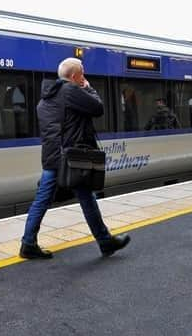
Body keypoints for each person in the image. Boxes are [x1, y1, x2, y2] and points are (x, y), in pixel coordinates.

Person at [20, 58, 130, 259]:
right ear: (73, 76)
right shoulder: (71, 91)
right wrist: (88, 88)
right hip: (72, 158)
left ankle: (28, 243)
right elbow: (98, 108)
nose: (84, 76)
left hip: (52, 157)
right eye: (82, 73)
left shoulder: (44, 100)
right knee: (87, 198)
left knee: (42, 200)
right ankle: (106, 242)